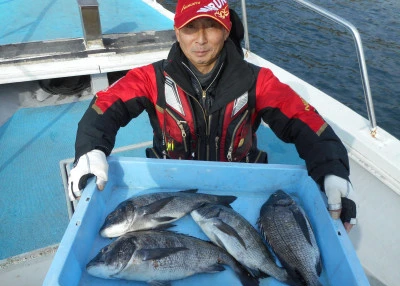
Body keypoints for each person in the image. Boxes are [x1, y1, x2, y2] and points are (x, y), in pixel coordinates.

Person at [68, 0, 357, 231]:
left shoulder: (259, 81)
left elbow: (305, 120)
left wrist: (332, 170)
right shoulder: (150, 78)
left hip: (241, 190)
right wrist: (90, 149)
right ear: (177, 31)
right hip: (171, 192)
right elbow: (105, 107)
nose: (202, 39)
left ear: (227, 28)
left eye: (212, 27)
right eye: (191, 28)